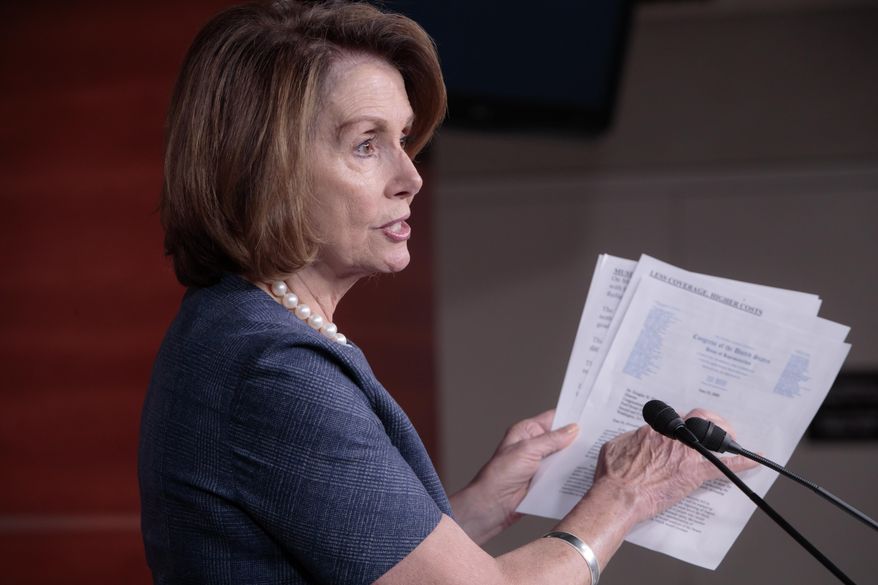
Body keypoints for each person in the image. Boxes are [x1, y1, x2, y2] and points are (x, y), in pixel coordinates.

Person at [138, 1, 755, 584]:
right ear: (264, 167)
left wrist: (483, 505)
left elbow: (369, 560)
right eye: (365, 144)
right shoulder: (271, 371)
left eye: (404, 139)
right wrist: (627, 494)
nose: (409, 177)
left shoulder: (243, 327)